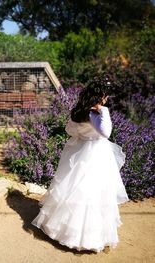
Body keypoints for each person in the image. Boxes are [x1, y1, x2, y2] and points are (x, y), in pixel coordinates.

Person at [31, 77, 129, 253]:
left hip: (81, 150)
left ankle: (63, 229)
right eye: (105, 97)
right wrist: (104, 111)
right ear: (100, 97)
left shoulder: (79, 111)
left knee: (75, 188)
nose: (106, 99)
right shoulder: (96, 114)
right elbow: (106, 133)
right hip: (96, 155)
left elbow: (69, 130)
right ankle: (85, 237)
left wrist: (83, 135)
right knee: (92, 192)